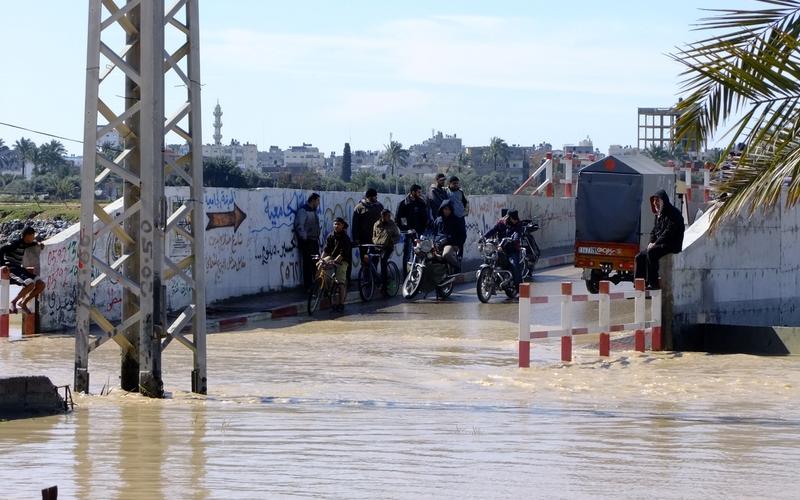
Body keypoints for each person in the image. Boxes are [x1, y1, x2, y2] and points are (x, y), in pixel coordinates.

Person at [635, 189, 685, 289]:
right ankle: (639, 284)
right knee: (639, 256)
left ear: (663, 201)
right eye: (654, 201)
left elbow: (669, 232)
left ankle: (653, 283)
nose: (655, 204)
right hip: (660, 244)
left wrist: (655, 244)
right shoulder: (659, 215)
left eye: (658, 201)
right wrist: (651, 242)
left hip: (672, 244)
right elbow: (654, 231)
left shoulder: (673, 213)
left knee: (652, 253)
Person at [0, 226, 46, 314]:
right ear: (27, 236)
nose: (33, 237)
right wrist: (2, 265)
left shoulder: (27, 243)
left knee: (41, 284)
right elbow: (2, 249)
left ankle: (23, 303)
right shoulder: (15, 243)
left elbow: (33, 243)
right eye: (32, 235)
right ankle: (13, 302)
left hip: (19, 268)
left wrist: (39, 243)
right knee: (30, 283)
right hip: (11, 268)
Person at [483, 210, 524, 288]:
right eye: (513, 218)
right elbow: (493, 230)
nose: (515, 220)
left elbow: (517, 233)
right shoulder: (501, 223)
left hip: (512, 249)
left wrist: (515, 239)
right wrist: (484, 237)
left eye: (516, 218)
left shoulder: (518, 224)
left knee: (515, 265)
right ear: (509, 218)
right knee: (489, 259)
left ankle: (519, 288)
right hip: (500, 248)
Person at [396, 183, 430, 274]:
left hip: (419, 233)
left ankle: (418, 276)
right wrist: (408, 229)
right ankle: (406, 277)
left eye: (420, 192)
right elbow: (400, 218)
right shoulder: (404, 204)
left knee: (420, 255)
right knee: (407, 256)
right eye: (418, 192)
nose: (420, 194)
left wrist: (423, 230)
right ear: (412, 192)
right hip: (408, 233)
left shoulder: (421, 203)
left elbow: (425, 217)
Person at [320, 217, 353, 312]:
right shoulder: (331, 236)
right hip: (332, 257)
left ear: (342, 226)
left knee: (340, 281)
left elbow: (342, 254)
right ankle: (322, 286)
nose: (336, 226)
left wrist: (334, 262)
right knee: (320, 265)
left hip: (343, 260)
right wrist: (322, 259)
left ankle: (341, 303)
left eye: (338, 224)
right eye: (335, 224)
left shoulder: (345, 238)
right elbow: (326, 250)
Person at [294, 193, 321, 291]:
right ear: (313, 200)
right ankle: (308, 286)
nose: (318, 203)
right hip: (307, 242)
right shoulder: (303, 210)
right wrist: (305, 238)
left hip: (314, 241)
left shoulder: (313, 211)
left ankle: (316, 285)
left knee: (316, 264)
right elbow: (299, 226)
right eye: (318, 201)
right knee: (308, 265)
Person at [372, 209, 401, 293]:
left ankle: (385, 284)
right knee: (372, 261)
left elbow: (397, 236)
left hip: (388, 247)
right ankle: (375, 280)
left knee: (383, 262)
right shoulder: (377, 224)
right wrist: (375, 242)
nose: (388, 217)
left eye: (389, 216)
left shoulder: (392, 224)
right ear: (382, 216)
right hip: (378, 246)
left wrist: (391, 240)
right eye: (387, 216)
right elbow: (374, 235)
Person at [432, 199, 465, 272]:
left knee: (446, 254)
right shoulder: (438, 220)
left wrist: (457, 244)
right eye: (445, 209)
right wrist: (433, 243)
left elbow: (462, 234)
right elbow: (434, 233)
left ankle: (457, 267)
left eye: (449, 209)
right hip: (437, 244)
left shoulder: (456, 220)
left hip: (450, 244)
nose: (447, 211)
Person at [446, 175, 469, 250]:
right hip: (451, 218)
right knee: (452, 236)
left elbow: (466, 203)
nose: (456, 185)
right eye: (454, 183)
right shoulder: (446, 191)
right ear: (449, 183)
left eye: (457, 183)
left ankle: (460, 253)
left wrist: (465, 213)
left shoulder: (460, 192)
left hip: (460, 217)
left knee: (462, 236)